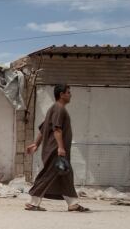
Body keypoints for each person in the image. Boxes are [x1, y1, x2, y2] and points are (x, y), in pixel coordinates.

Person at [25, 84, 89, 212]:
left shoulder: (53, 109)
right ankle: (32, 203)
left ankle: (73, 204)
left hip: (55, 149)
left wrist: (36, 144)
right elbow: (57, 129)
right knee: (49, 174)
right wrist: (60, 147)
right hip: (55, 150)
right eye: (68, 92)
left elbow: (44, 129)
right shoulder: (59, 109)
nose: (70, 95)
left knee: (65, 174)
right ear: (61, 94)